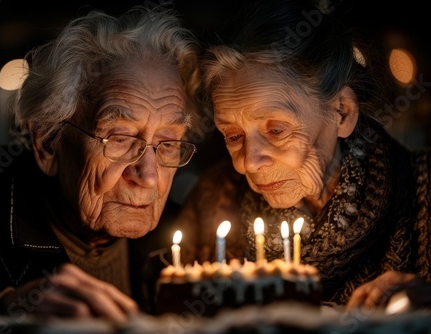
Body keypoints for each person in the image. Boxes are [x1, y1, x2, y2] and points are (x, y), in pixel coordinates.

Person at [0, 4, 201, 327]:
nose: (149, 176)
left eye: (168, 144)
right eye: (120, 138)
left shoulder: (185, 233)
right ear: (48, 143)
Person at [173, 0, 431, 311]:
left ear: (342, 112)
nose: (249, 162)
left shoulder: (420, 194)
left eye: (276, 131)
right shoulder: (214, 201)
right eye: (234, 136)